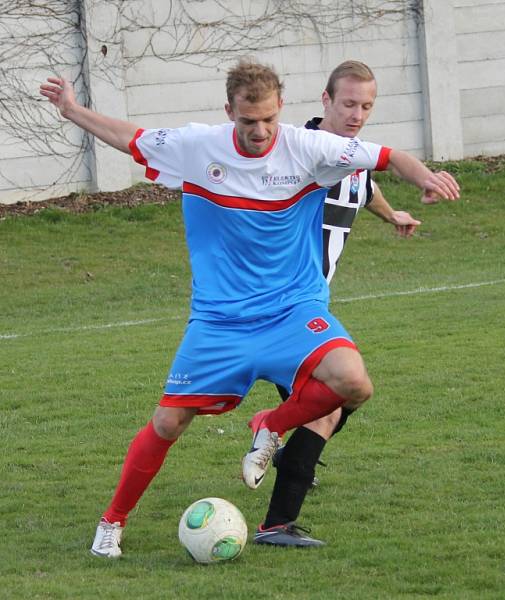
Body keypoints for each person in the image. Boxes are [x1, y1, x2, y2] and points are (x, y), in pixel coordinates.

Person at [39, 60, 459, 559]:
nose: (259, 132)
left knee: (354, 383)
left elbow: (391, 157)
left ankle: (270, 424)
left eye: (267, 120)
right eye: (247, 122)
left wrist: (427, 178)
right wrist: (71, 109)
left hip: (292, 310)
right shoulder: (198, 147)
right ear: (229, 113)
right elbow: (130, 136)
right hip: (220, 320)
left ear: (281, 109)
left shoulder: (309, 148)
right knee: (167, 424)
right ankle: (112, 521)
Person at [245, 60, 423, 548]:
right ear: (325, 101)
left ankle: (282, 451)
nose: (357, 114)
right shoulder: (298, 154)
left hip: (308, 307)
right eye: (348, 103)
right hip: (280, 309)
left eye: (366, 105)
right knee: (330, 405)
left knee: (329, 406)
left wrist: (393, 216)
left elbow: (365, 187)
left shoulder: (356, 159)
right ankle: (277, 522)